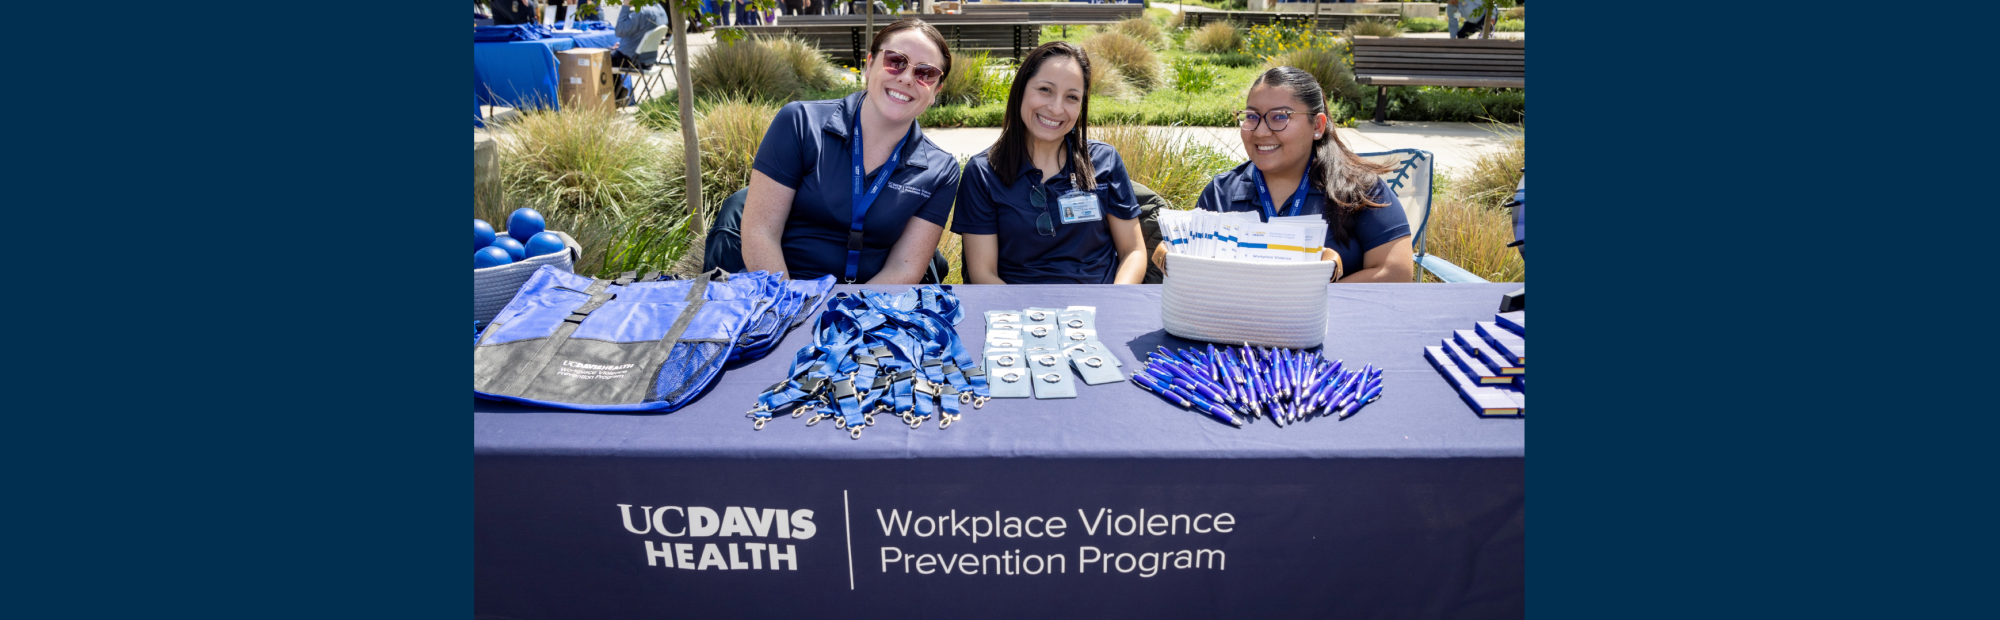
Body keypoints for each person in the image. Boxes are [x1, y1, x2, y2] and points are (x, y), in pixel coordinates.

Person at [733, 18, 961, 283]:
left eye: (925, 73)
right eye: (895, 61)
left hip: (870, 307)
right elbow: (760, 233)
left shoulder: (940, 169)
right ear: (869, 64)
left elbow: (903, 270)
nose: (907, 78)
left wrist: (848, 319)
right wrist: (789, 312)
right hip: (781, 296)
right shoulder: (800, 123)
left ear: (936, 91)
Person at [1151, 66, 1414, 283]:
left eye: (1280, 117)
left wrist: (1316, 293)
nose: (1261, 131)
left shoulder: (1359, 189)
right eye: (1252, 117)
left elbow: (1396, 272)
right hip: (1235, 333)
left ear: (1317, 125)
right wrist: (1176, 259)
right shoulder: (1221, 193)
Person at [953, 42, 1144, 285]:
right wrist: (1034, 321)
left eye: (1072, 97)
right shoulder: (983, 173)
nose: (1056, 108)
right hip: (1017, 311)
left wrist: (1114, 302)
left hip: (1099, 309)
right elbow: (983, 274)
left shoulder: (1104, 160)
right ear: (1020, 90)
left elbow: (1133, 251)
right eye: (1045, 89)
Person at [610, 2, 668, 103]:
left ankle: (615, 95)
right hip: (649, 58)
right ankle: (618, 92)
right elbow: (643, 32)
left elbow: (619, 30)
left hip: (635, 60)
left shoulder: (640, 12)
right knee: (612, 52)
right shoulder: (659, 10)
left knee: (603, 57)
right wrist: (625, 44)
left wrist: (625, 6)